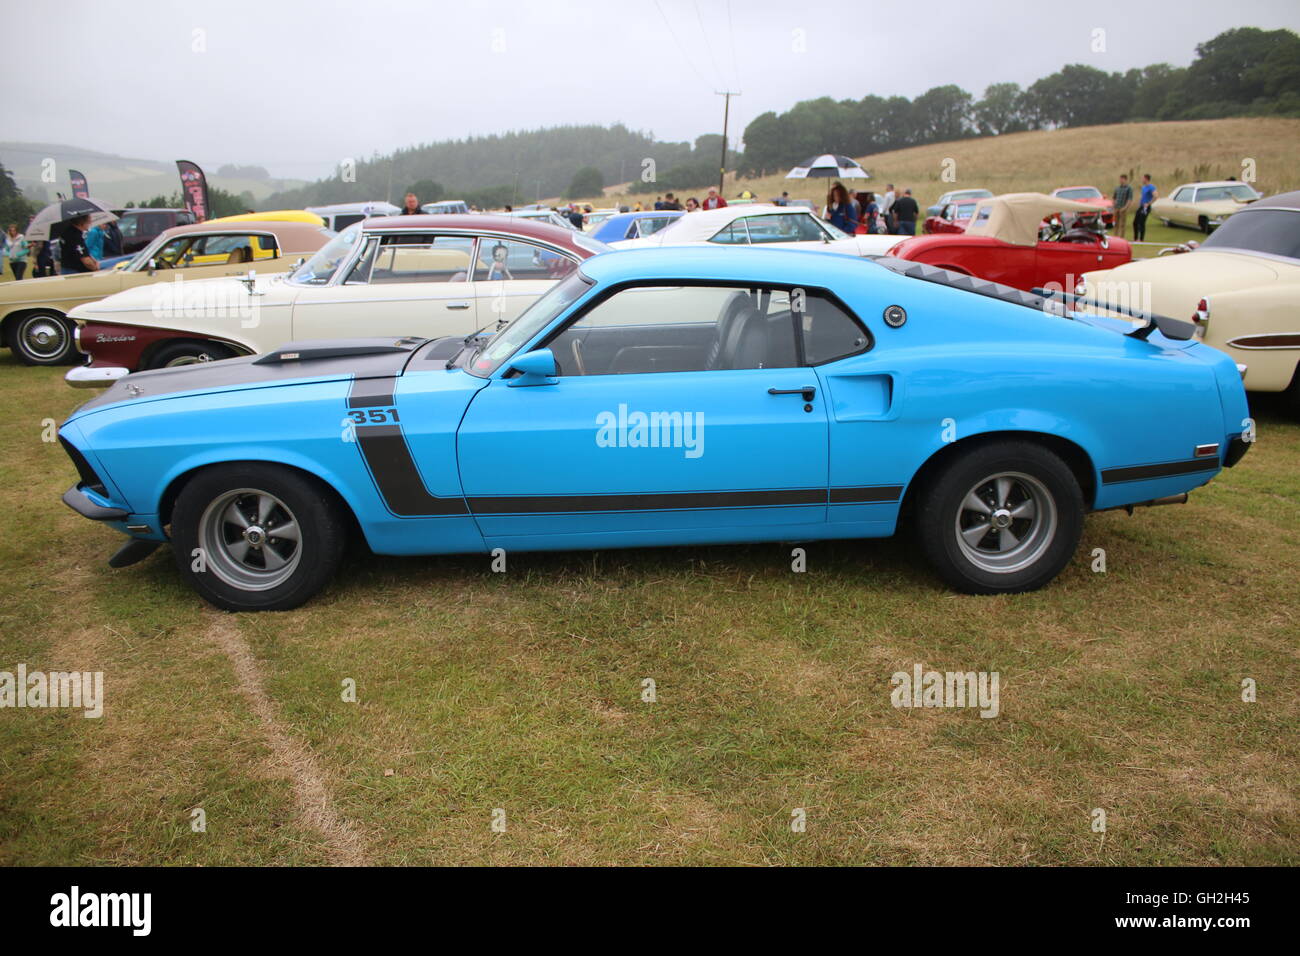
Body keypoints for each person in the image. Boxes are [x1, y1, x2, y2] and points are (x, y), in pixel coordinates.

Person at [1133, 174, 1157, 242]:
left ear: (1146, 179)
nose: (1142, 180)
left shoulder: (1151, 187)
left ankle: (1141, 239)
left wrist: (1148, 203)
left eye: (1143, 178)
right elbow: (1143, 197)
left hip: (1146, 207)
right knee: (1135, 222)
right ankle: (1135, 238)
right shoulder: (1143, 187)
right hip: (1141, 206)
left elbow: (1155, 196)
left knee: (1141, 222)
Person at [1112, 174, 1133, 239]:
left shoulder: (1129, 188)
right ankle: (1115, 236)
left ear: (1125, 180)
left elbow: (1129, 199)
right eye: (1120, 179)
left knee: (1122, 224)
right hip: (1116, 208)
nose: (1120, 180)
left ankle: (1121, 237)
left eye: (1122, 179)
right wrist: (1114, 205)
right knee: (1116, 223)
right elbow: (1114, 197)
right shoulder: (1117, 188)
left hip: (1123, 208)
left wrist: (1125, 208)